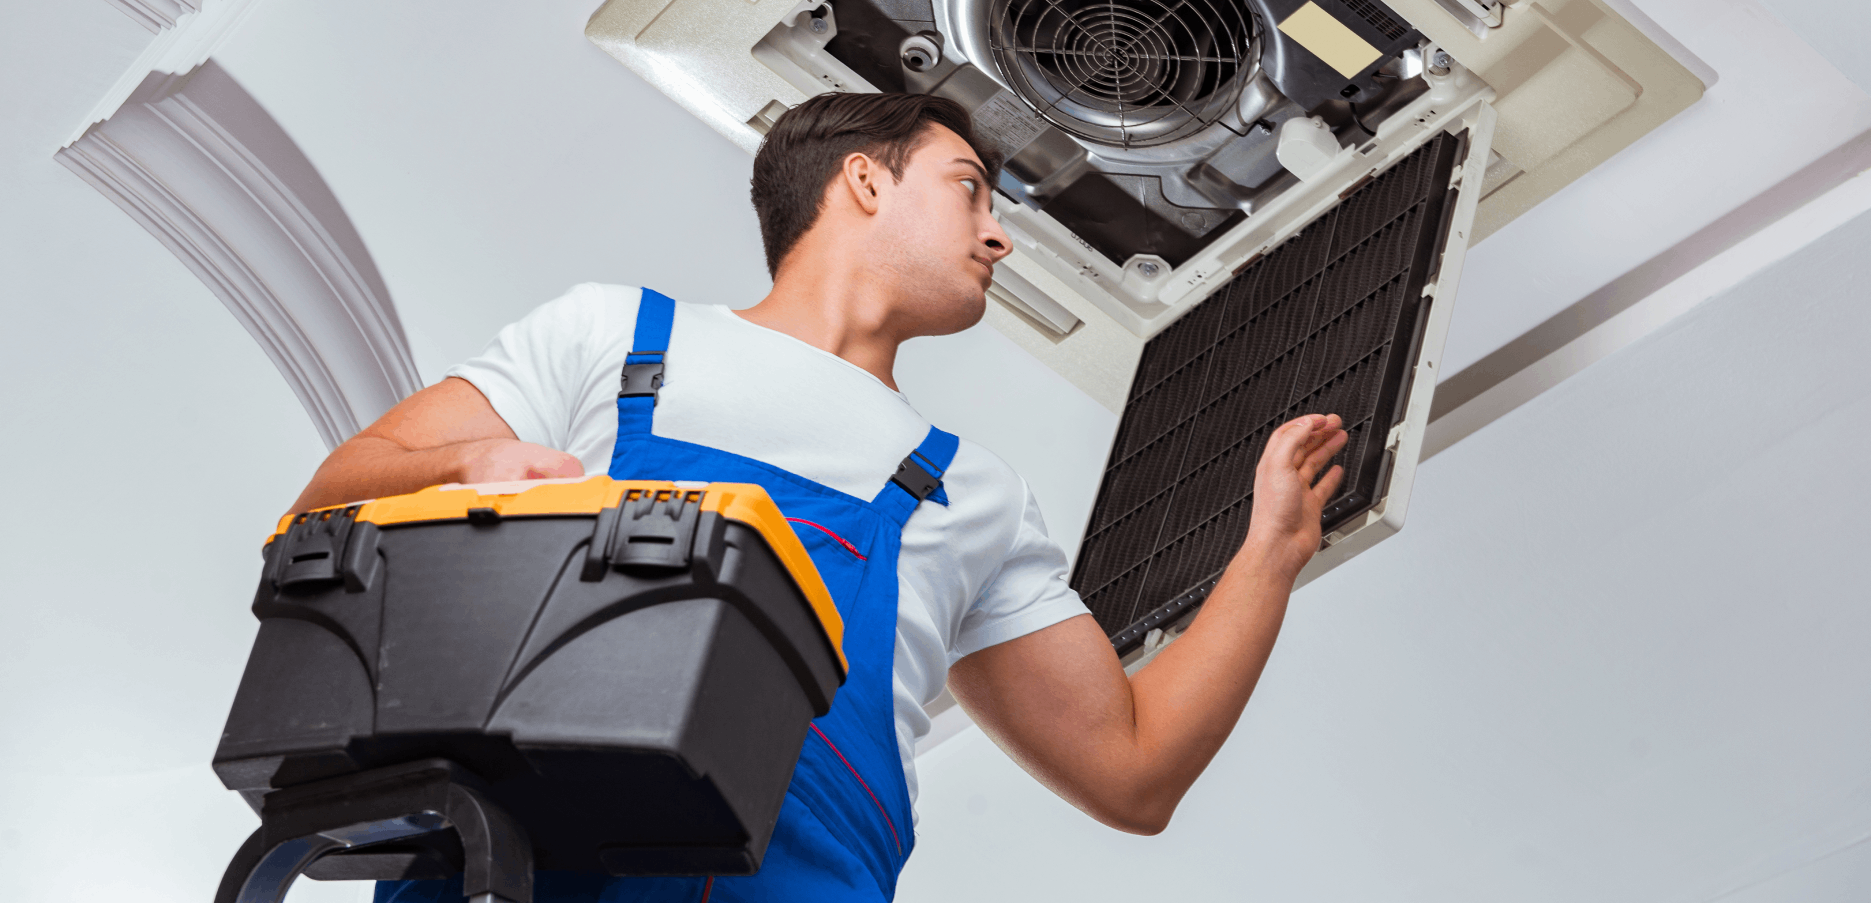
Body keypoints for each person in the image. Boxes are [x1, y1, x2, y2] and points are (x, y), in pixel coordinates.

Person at [296, 91, 1348, 903]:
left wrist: (1269, 556)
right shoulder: (616, 338)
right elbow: (326, 501)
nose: (1000, 235)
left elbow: (1132, 771)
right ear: (863, 182)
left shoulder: (969, 491)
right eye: (969, 187)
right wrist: (469, 468)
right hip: (511, 858)